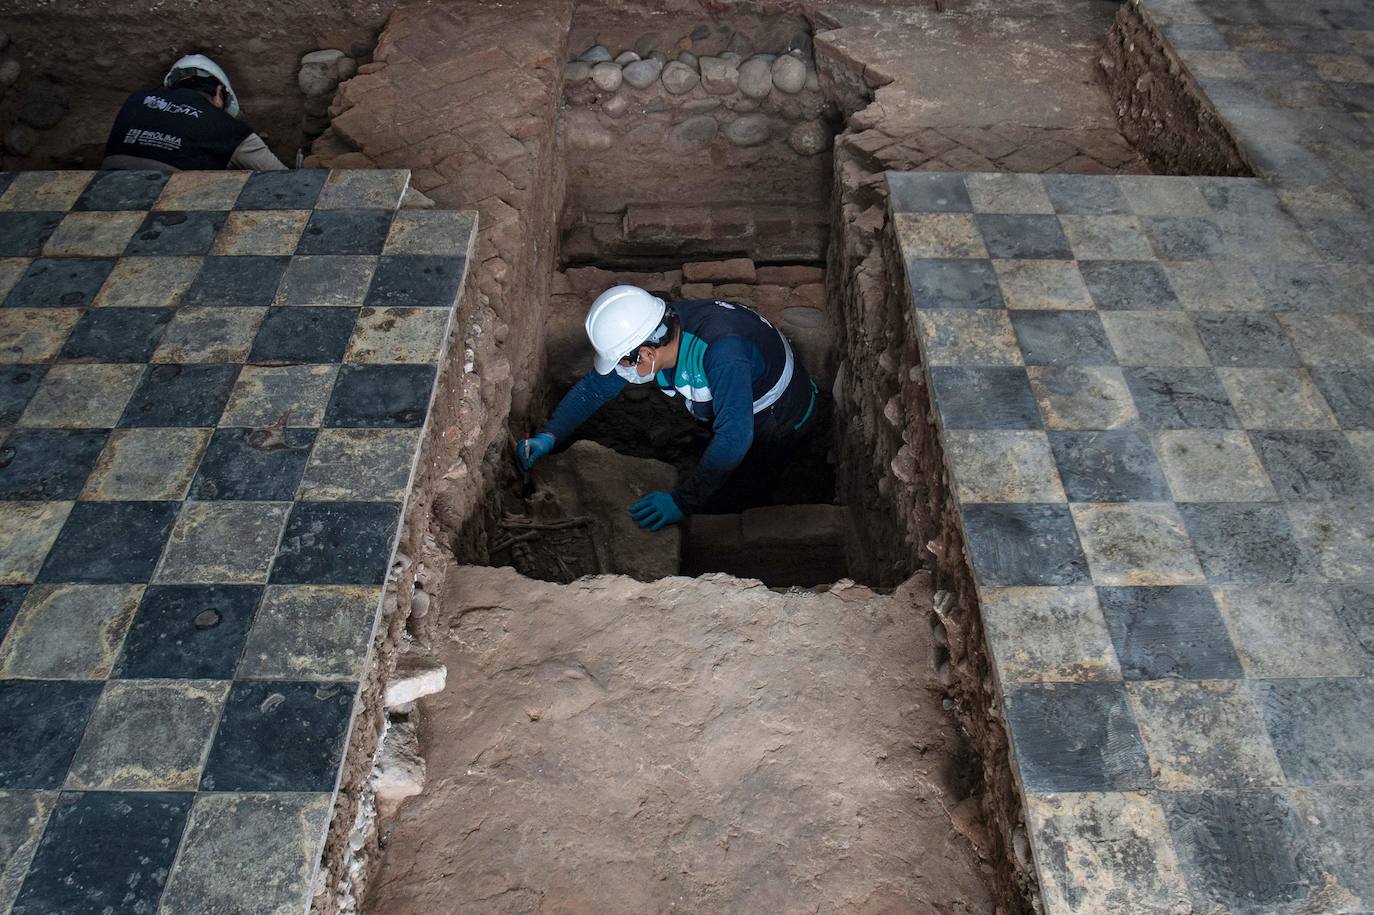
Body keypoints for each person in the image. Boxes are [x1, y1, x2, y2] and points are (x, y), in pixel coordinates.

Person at [518, 285, 821, 532]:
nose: (621, 370)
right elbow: (595, 387)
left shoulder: (723, 353)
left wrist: (682, 502)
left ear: (646, 353)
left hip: (782, 420)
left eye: (624, 362)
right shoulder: (658, 327)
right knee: (720, 450)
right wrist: (550, 435)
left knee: (739, 490)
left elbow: (734, 437)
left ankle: (736, 514)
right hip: (745, 398)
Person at [102, 54, 286, 172]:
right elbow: (284, 178)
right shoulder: (228, 129)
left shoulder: (136, 100)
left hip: (102, 190)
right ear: (219, 92)